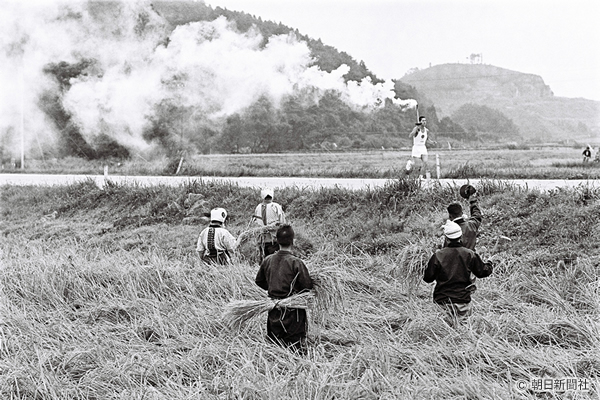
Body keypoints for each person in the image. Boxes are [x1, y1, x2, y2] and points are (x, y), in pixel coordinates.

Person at [423, 220, 494, 326]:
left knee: (442, 333)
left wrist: (425, 266)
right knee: (463, 333)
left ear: (446, 238)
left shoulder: (437, 256)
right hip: (462, 301)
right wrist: (489, 264)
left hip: (442, 302)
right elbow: (482, 272)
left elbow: (428, 278)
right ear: (460, 237)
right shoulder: (470, 254)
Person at [255, 224, 313, 352]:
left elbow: (259, 281)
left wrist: (272, 286)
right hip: (294, 312)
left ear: (276, 240)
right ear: (293, 241)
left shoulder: (268, 260)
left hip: (274, 310)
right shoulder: (296, 263)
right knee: (295, 349)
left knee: (275, 348)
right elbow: (307, 286)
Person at [253, 188, 286, 261]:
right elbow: (282, 222)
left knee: (264, 260)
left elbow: (255, 222)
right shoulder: (275, 206)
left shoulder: (258, 207)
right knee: (274, 260)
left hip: (261, 239)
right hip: (273, 239)